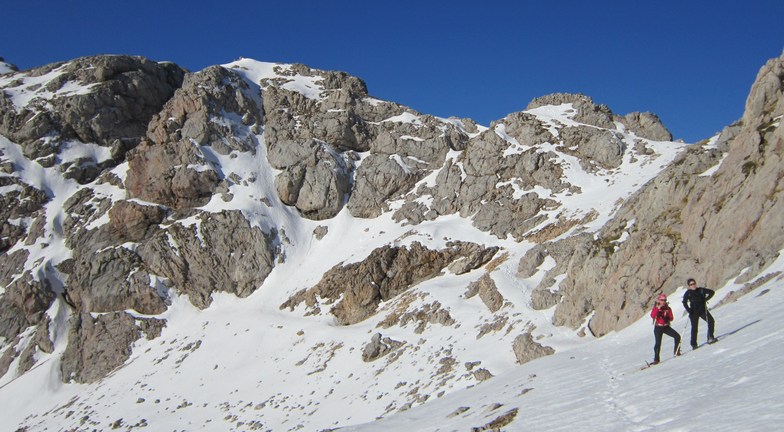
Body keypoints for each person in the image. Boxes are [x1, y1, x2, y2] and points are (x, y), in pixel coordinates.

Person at [682, 277, 717, 349]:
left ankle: (710, 337)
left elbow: (712, 292)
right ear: (689, 286)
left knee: (711, 321)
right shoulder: (688, 293)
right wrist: (689, 310)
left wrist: (705, 299)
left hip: (703, 310)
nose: (693, 285)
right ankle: (694, 344)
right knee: (694, 328)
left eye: (694, 283)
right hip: (693, 312)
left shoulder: (701, 290)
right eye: (691, 284)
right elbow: (684, 302)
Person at [650, 293, 681, 364]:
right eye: (662, 300)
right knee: (658, 343)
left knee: (677, 336)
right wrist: (658, 309)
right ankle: (656, 359)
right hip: (658, 327)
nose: (663, 302)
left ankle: (677, 351)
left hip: (666, 326)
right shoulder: (656, 308)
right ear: (659, 300)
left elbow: (671, 318)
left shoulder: (668, 308)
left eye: (664, 300)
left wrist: (667, 316)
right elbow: (652, 315)